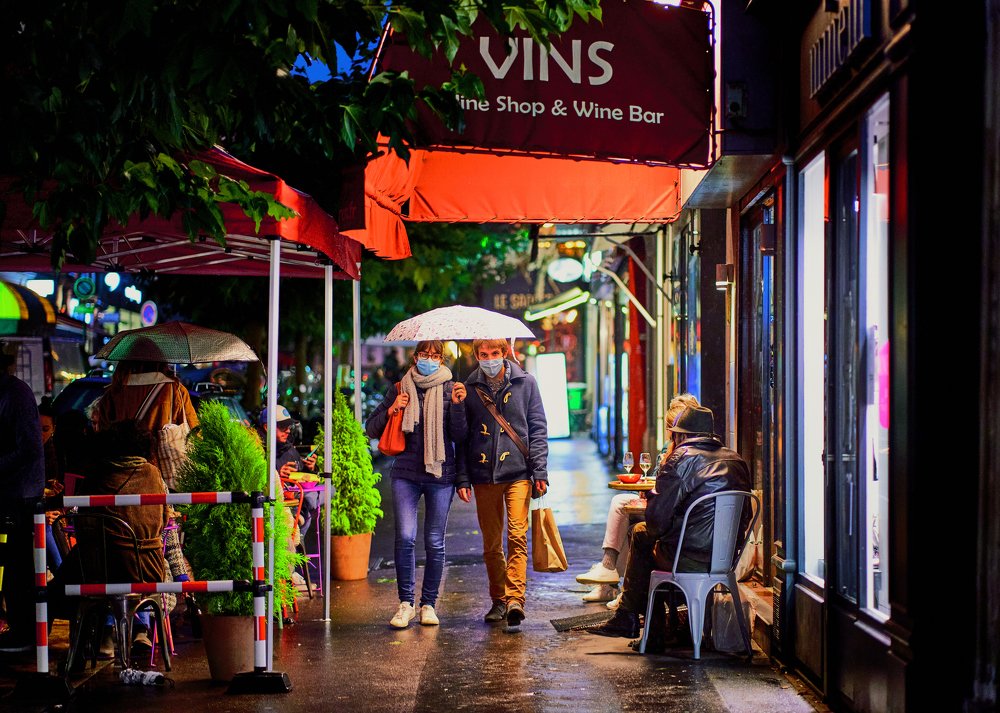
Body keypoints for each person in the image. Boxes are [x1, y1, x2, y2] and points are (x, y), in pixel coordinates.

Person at [586, 404, 752, 652]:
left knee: (642, 535)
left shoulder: (681, 459)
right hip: (726, 559)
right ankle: (648, 625)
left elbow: (656, 521)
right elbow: (746, 515)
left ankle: (635, 620)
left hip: (688, 557)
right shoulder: (736, 460)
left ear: (681, 435)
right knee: (654, 541)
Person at [365, 340, 468, 629]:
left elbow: (460, 436)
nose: (429, 359)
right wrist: (392, 409)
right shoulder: (400, 388)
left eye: (435, 355)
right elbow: (371, 428)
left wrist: (458, 407)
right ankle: (406, 604)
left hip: (440, 474)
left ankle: (428, 604)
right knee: (405, 538)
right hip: (405, 474)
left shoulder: (451, 389)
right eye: (424, 354)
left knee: (435, 541)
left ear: (442, 360)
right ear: (415, 357)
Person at [49, 421, 169, 660]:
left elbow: (83, 524)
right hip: (149, 570)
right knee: (79, 566)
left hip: (104, 571)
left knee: (62, 583)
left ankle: (81, 646)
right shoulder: (154, 475)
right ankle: (106, 636)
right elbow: (164, 520)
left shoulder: (98, 474)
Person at [456, 338, 548, 629]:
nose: (489, 359)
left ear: (505, 352)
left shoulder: (526, 383)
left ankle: (515, 599)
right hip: (484, 475)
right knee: (492, 543)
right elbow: (462, 438)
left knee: (517, 535)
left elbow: (538, 428)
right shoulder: (469, 388)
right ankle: (498, 599)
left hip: (518, 472)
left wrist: (540, 471)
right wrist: (462, 478)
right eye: (483, 354)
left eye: (494, 353)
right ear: (476, 355)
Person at [575, 394, 701, 608]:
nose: (671, 432)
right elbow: (660, 480)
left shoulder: (686, 455)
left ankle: (621, 589)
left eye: (674, 426)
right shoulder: (677, 449)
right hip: (680, 518)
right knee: (623, 506)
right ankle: (610, 576)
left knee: (635, 526)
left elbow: (669, 494)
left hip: (681, 526)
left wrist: (651, 494)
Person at [0, 341, 45, 653]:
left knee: (17, 565)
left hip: (19, 494)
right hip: (12, 491)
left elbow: (29, 447)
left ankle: (24, 631)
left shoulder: (15, 394)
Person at [259, 405, 319, 566]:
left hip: (296, 499)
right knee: (311, 500)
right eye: (283, 427)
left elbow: (300, 472)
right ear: (267, 427)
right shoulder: (260, 450)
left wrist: (309, 468)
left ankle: (300, 518)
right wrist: (278, 474)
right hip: (280, 507)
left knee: (326, 492)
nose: (287, 430)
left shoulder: (288, 446)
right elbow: (261, 480)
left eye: (289, 426)